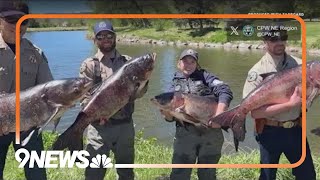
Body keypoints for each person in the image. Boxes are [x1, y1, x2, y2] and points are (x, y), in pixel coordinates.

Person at [242, 28, 316, 180]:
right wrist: (289, 105)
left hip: (296, 130)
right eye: (274, 39)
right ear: (265, 43)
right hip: (269, 132)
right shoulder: (256, 72)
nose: (280, 42)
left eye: (283, 38)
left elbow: (312, 94)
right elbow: (254, 113)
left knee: (307, 176)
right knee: (267, 176)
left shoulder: (301, 65)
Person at [79, 20, 147, 180]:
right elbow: (83, 97)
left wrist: (144, 81)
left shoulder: (128, 61)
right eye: (100, 36)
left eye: (109, 35)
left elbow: (138, 94)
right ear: (95, 40)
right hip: (98, 129)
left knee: (126, 172)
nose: (106, 39)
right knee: (94, 173)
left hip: (125, 126)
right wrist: (97, 114)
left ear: (115, 37)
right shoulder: (89, 65)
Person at [160, 49, 233, 180]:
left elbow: (225, 90)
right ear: (179, 63)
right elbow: (169, 119)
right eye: (185, 61)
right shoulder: (172, 86)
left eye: (192, 62)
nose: (188, 65)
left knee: (207, 174)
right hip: (185, 135)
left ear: (196, 64)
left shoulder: (207, 77)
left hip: (211, 133)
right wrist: (167, 113)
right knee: (179, 174)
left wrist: (219, 115)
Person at [0, 1, 53, 180]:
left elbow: (49, 91)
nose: (18, 26)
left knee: (37, 175)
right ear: (0, 21)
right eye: (12, 20)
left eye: (23, 21)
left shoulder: (36, 54)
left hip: (28, 128)